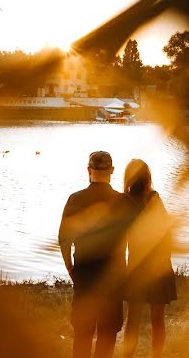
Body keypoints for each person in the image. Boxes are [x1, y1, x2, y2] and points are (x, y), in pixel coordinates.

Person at [59, 150, 131, 358]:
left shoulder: (75, 199)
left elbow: (64, 239)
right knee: (107, 336)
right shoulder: (123, 202)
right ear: (112, 171)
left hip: (84, 276)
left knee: (82, 334)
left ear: (89, 170)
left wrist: (70, 268)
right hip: (113, 278)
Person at [121, 159, 177, 358]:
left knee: (133, 320)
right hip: (158, 265)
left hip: (137, 268)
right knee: (157, 321)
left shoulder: (125, 202)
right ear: (147, 178)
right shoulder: (154, 198)